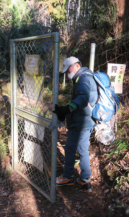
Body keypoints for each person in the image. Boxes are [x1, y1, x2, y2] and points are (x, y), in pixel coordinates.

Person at [53, 56, 98, 192]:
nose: (68, 73)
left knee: (70, 148)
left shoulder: (83, 79)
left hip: (80, 122)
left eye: (68, 70)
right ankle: (85, 179)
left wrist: (67, 109)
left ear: (77, 65)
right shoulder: (86, 76)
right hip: (87, 120)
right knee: (83, 150)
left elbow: (83, 98)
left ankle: (67, 176)